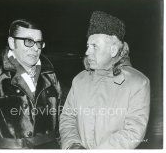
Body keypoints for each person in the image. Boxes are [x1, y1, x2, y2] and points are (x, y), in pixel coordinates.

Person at [59, 11, 150, 149]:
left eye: (94, 46)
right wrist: (73, 145)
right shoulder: (79, 80)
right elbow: (67, 118)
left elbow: (133, 132)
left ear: (113, 50)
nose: (87, 52)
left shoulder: (138, 83)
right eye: (88, 46)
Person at [0, 19, 62, 149]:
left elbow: (60, 125)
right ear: (12, 42)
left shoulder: (50, 76)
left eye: (39, 43)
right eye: (29, 41)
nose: (36, 48)